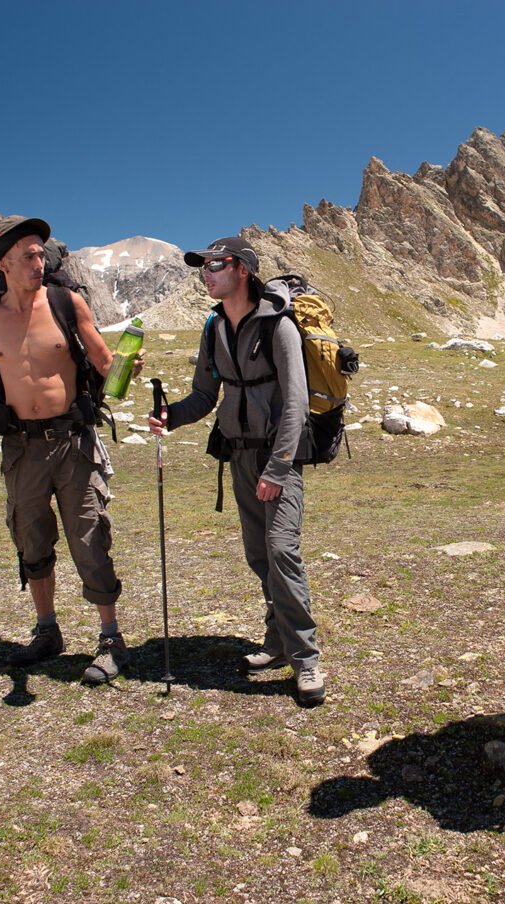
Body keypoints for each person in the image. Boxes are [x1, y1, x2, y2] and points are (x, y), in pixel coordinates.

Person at [0, 215, 139, 684]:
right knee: (31, 538)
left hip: (73, 443)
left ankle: (110, 639)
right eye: (28, 256)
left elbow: (102, 361)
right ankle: (47, 631)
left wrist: (124, 368)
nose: (40, 262)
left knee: (89, 536)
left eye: (42, 254)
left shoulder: (65, 301)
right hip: (20, 447)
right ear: (4, 265)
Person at [146, 236, 326, 707]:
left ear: (242, 269)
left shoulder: (278, 326)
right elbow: (205, 396)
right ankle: (278, 642)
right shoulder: (214, 328)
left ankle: (306, 659)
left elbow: (296, 403)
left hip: (276, 458)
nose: (206, 274)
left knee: (282, 551)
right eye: (202, 267)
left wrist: (280, 467)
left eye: (215, 265)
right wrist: (171, 415)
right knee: (258, 557)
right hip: (239, 456)